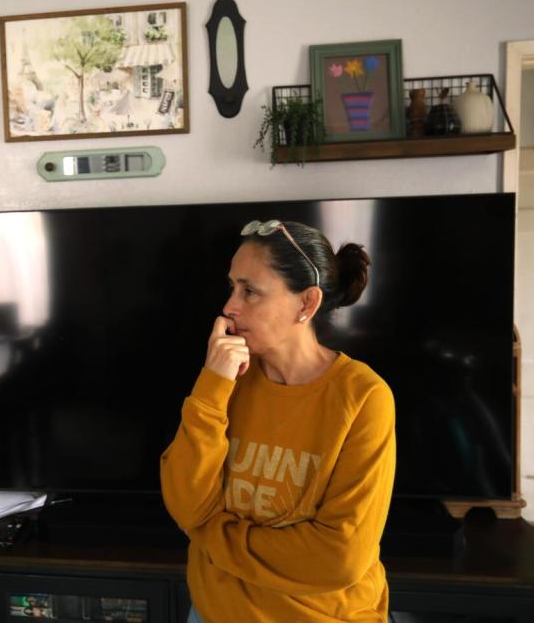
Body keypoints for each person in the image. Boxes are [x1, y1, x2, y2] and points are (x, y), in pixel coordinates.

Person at [160, 219, 396, 623]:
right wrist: (212, 386)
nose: (229, 307)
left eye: (250, 291)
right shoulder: (226, 378)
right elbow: (185, 503)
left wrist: (210, 534)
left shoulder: (363, 396)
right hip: (213, 612)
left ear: (306, 304)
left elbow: (339, 557)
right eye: (233, 287)